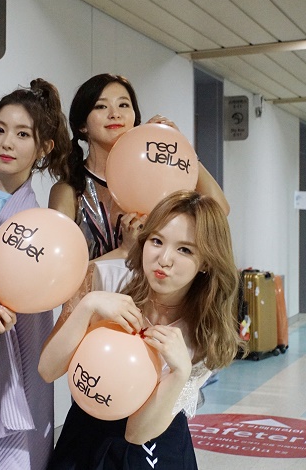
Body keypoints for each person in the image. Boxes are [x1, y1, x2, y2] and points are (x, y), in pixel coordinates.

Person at [38, 190, 244, 469]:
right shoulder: (106, 279)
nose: (164, 259)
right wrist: (88, 305)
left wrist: (180, 373)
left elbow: (137, 434)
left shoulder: (204, 330)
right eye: (157, 241)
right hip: (85, 433)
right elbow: (47, 370)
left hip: (155, 440)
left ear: (206, 261)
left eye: (185, 250)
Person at [0, 79, 71, 470]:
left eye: (23, 134)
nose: (7, 143)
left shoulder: (36, 220)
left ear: (44, 148)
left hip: (5, 340)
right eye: (0, 130)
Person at [47, 73, 230, 261]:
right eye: (101, 106)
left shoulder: (157, 180)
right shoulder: (69, 191)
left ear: (135, 118)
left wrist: (183, 148)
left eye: (123, 105)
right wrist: (124, 251)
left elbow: (219, 210)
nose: (115, 114)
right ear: (82, 125)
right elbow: (58, 268)